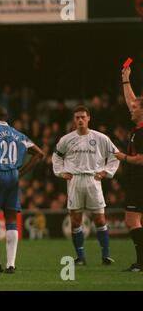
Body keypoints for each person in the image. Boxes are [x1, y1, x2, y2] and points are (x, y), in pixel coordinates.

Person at [0, 105, 44, 274]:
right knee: (11, 220)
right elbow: (39, 154)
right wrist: (20, 172)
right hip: (13, 176)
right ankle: (11, 265)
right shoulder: (17, 134)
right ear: (6, 118)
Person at [53, 105, 120, 266]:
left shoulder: (101, 138)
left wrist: (105, 172)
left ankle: (105, 256)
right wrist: (61, 172)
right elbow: (56, 157)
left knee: (99, 219)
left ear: (89, 118)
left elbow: (115, 155)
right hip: (75, 180)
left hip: (93, 180)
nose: (80, 120)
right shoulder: (66, 139)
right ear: (74, 120)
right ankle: (80, 258)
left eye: (83, 117)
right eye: (77, 117)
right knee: (76, 220)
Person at [114, 66, 143, 272]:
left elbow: (141, 159)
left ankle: (141, 263)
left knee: (131, 219)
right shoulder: (138, 129)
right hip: (136, 180)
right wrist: (126, 80)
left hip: (139, 180)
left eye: (135, 108)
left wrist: (122, 157)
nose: (131, 109)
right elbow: (131, 101)